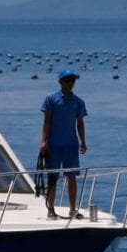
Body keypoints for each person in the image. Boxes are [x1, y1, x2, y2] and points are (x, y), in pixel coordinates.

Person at [40, 68, 88, 220]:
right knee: (52, 177)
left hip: (71, 145)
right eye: (68, 80)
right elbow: (47, 122)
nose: (71, 83)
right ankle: (51, 208)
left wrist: (83, 142)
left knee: (72, 177)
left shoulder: (78, 102)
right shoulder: (51, 99)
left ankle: (73, 209)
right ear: (61, 82)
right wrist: (44, 141)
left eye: (73, 80)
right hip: (53, 145)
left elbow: (80, 123)